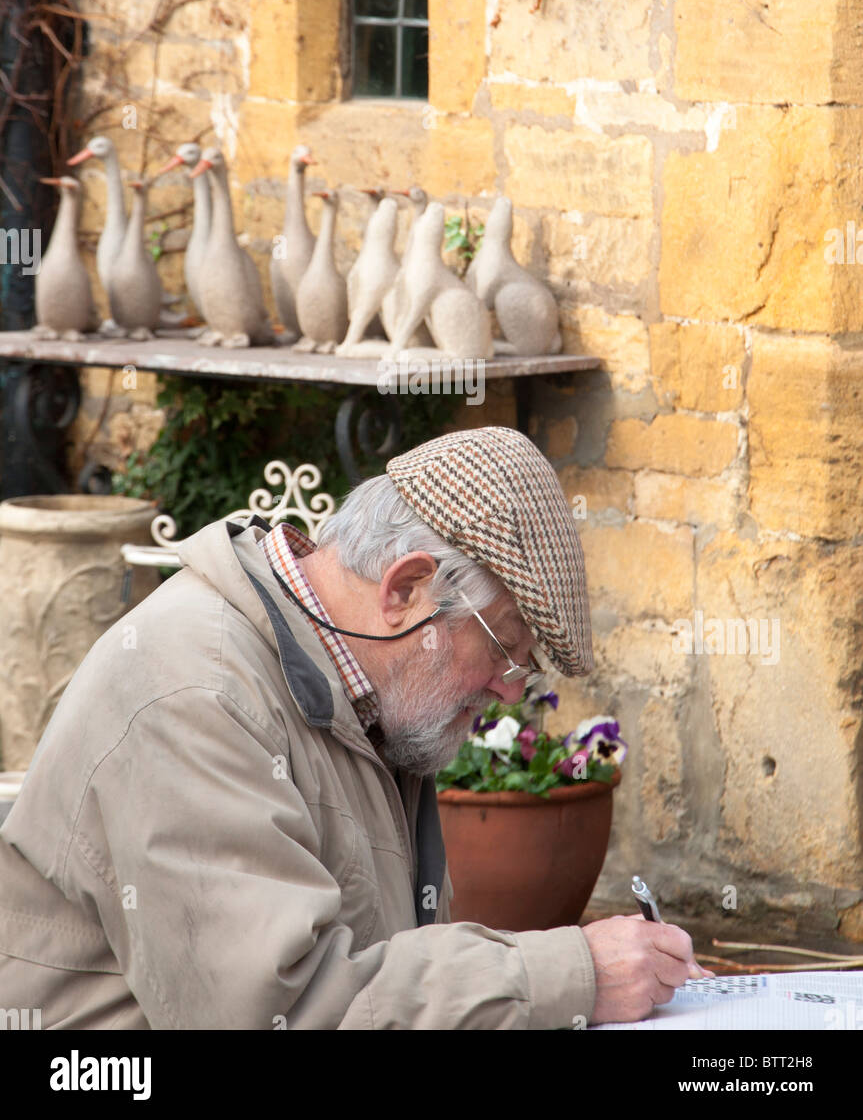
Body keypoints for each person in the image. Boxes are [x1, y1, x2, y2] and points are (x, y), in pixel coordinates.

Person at [0, 426, 706, 1028]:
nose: (506, 689)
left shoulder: (368, 688)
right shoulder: (192, 693)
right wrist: (569, 976)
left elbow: (377, 965)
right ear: (403, 590)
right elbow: (277, 1009)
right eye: (502, 646)